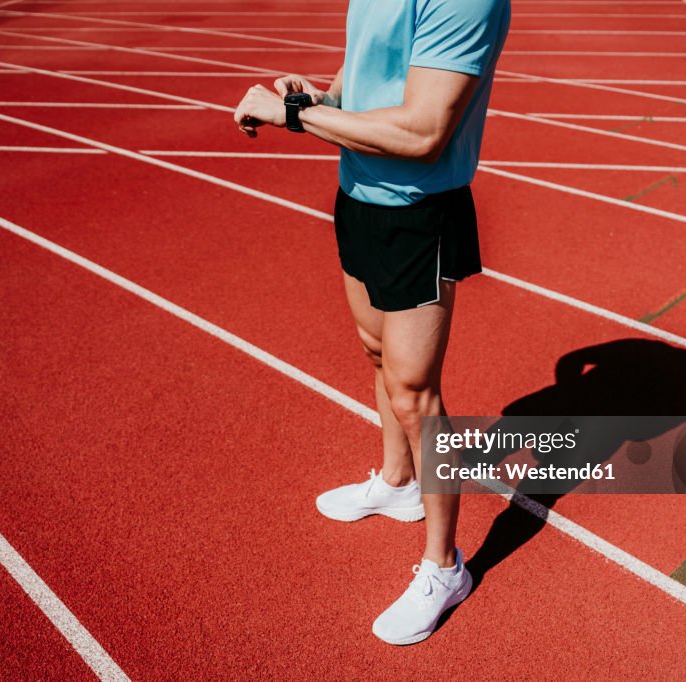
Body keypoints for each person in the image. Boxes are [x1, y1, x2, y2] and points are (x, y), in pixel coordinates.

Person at [233, 0, 511, 645]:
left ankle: (445, 568)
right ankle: (398, 482)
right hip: (358, 192)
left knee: (415, 393)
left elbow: (423, 132)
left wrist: (295, 116)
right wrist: (321, 97)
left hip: (419, 209)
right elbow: (366, 69)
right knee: (376, 353)